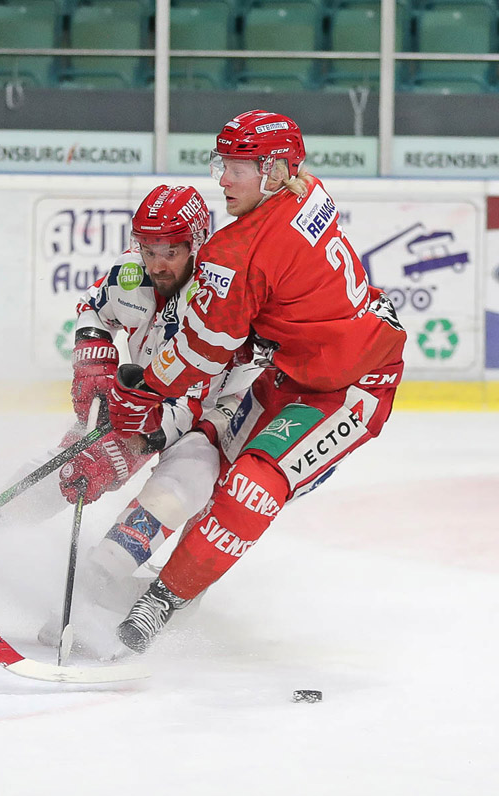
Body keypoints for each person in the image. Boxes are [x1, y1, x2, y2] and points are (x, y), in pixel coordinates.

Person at [106, 110, 407, 653]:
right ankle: (112, 565)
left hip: (353, 387)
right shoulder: (306, 191)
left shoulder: (238, 251)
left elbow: (204, 349)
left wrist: (147, 388)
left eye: (236, 167)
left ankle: (163, 601)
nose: (222, 178)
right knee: (202, 453)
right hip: (297, 371)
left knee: (253, 483)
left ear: (272, 169)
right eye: (222, 164)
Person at [49, 184, 260, 622]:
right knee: (72, 461)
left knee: (186, 481)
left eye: (172, 251)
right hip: (148, 392)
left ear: (197, 243)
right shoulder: (130, 273)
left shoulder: (217, 295)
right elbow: (95, 308)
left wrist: (139, 437)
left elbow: (197, 398)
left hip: (223, 409)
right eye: (149, 249)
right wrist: (94, 357)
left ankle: (100, 579)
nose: (158, 264)